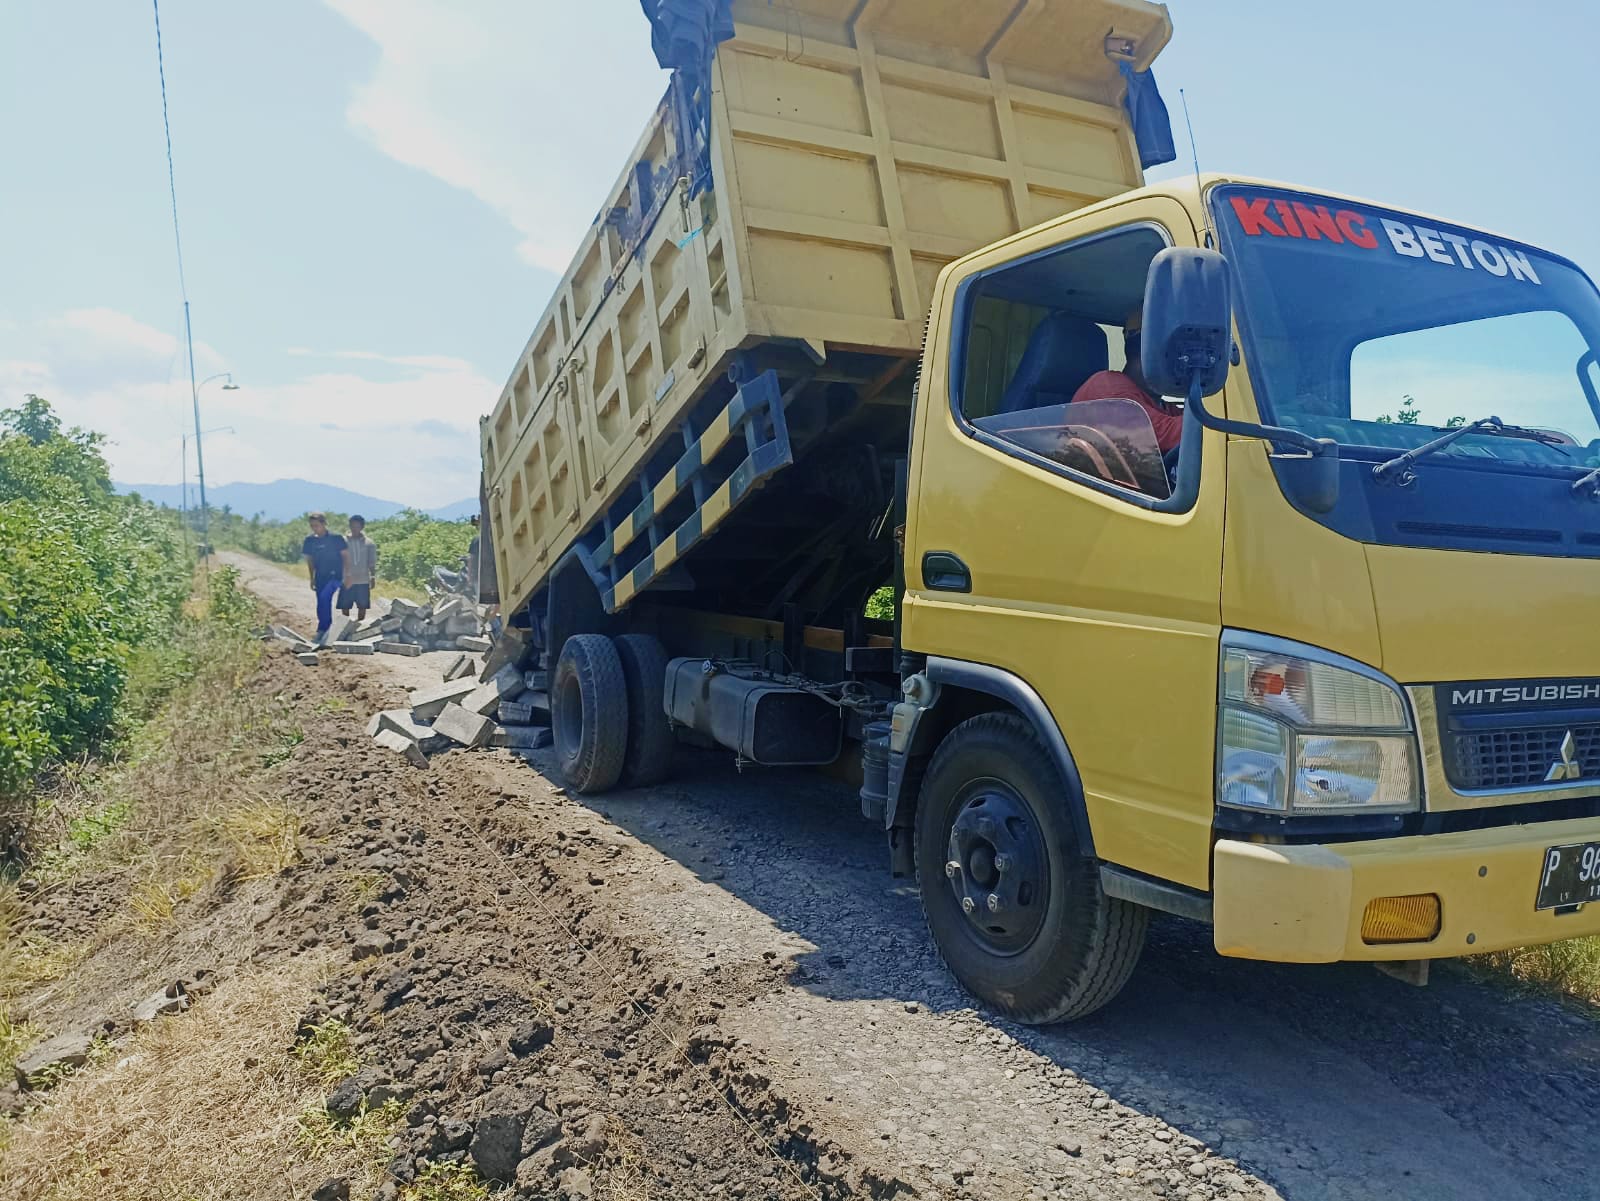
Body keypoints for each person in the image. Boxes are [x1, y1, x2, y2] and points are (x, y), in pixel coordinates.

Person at [1070, 308, 1184, 454]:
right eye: (1177, 353)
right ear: (1146, 350)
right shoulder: (1107, 387)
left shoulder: (1159, 403)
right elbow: (1165, 436)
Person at [301, 512, 347, 643]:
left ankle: (325, 629)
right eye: (312, 526)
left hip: (335, 575)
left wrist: (347, 574)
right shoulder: (310, 541)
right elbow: (310, 561)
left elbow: (345, 557)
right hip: (320, 576)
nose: (314, 528)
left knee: (325, 598)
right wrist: (312, 578)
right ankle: (324, 629)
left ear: (324, 524)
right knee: (321, 603)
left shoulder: (336, 538)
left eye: (316, 525)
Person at [339, 515, 378, 622]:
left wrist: (373, 576)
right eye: (352, 525)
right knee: (345, 605)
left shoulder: (369, 543)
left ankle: (359, 626)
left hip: (363, 579)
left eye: (357, 526)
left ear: (362, 527)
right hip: (346, 579)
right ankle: (345, 626)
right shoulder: (342, 541)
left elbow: (371, 562)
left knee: (362, 606)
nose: (354, 528)